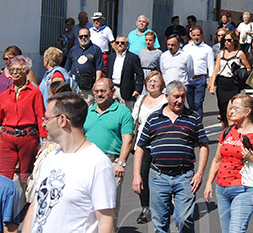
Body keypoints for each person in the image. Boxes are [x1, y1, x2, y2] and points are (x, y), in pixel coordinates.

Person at [22, 92, 116, 233]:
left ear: (62, 120)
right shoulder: (50, 157)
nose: (43, 123)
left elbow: (106, 222)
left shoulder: (97, 163)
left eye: (47, 118)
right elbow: (35, 206)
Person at [132, 81, 209, 232]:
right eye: (176, 97)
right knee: (160, 223)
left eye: (183, 96)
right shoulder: (153, 118)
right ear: (166, 96)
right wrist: (136, 175)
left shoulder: (192, 117)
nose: (180, 101)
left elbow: (204, 146)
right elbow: (140, 147)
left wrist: (200, 174)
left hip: (185, 177)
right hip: (158, 177)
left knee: (183, 219)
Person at [204, 94, 253, 233]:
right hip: (222, 189)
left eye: (235, 108)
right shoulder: (227, 131)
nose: (231, 111)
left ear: (247, 111)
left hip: (244, 189)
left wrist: (252, 158)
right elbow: (217, 159)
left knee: (236, 230)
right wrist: (208, 183)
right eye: (231, 108)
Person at [83, 78, 134, 220]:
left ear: (112, 92)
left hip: (111, 165)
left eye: (103, 91)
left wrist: (121, 163)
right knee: (87, 205)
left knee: (108, 207)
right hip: (88, 165)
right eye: (96, 91)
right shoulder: (88, 111)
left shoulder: (123, 112)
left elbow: (127, 140)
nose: (99, 94)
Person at [0, 55, 47, 184]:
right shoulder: (4, 96)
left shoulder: (35, 92)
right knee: (4, 175)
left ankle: (25, 203)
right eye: (12, 70)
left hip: (27, 139)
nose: (15, 73)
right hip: (7, 138)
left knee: (25, 176)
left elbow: (40, 117)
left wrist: (45, 140)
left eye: (19, 70)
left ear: (26, 72)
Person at [131, 71, 167, 224]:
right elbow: (134, 119)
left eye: (156, 81)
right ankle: (145, 208)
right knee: (142, 176)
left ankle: (164, 204)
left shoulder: (165, 100)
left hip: (161, 144)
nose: (152, 84)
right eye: (150, 81)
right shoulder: (141, 100)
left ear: (161, 85)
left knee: (162, 176)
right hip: (143, 144)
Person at [209, 31, 251, 128]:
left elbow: (248, 68)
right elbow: (216, 70)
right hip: (222, 84)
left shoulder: (239, 54)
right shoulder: (221, 53)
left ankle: (232, 132)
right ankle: (225, 133)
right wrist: (212, 85)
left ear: (234, 41)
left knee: (231, 111)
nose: (226, 42)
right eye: (224, 40)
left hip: (233, 84)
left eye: (229, 40)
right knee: (223, 111)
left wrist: (239, 72)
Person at [65, 28, 104, 105]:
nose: (83, 38)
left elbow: (99, 68)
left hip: (89, 87)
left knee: (88, 108)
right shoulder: (73, 49)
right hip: (74, 86)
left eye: (85, 36)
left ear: (89, 36)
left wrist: (96, 85)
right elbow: (67, 68)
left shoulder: (96, 49)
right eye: (81, 36)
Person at [183, 26, 215, 121]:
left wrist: (211, 82)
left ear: (202, 35)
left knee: (198, 103)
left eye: (198, 35)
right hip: (188, 79)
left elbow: (211, 66)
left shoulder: (207, 49)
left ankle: (198, 125)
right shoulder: (186, 48)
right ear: (191, 36)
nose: (196, 37)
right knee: (190, 104)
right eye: (194, 35)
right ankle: (192, 123)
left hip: (200, 79)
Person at [106, 35, 144, 109]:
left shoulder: (133, 57)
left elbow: (140, 75)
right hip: (112, 89)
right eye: (117, 43)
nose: (120, 44)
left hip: (127, 90)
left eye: (122, 43)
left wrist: (137, 90)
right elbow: (108, 73)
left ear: (127, 44)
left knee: (128, 113)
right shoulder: (111, 57)